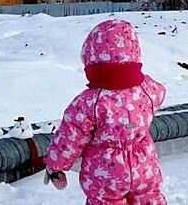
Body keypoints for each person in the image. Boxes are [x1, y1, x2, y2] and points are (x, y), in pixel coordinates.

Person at [43, 19, 167, 204]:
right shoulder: (147, 89)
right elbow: (160, 93)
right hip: (144, 167)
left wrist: (55, 165)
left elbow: (71, 136)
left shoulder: (89, 102)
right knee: (149, 198)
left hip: (107, 176)